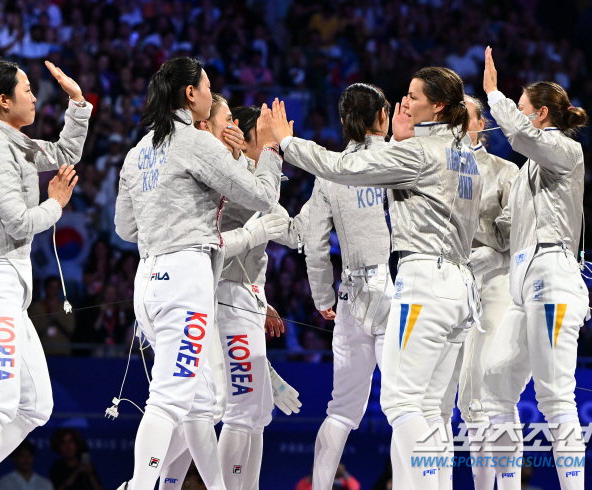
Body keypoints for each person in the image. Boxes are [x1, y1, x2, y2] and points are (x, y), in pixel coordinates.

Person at [262, 66, 483, 490]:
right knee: (427, 408)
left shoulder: (393, 158)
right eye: (398, 102)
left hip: (388, 289)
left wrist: (282, 148)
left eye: (413, 97)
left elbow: (308, 234)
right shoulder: (461, 153)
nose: (405, 104)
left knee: (364, 408)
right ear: (381, 115)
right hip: (444, 286)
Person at [113, 56, 282, 490]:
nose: (211, 94)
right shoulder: (194, 141)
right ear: (191, 94)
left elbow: (124, 227)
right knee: (169, 400)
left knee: (197, 402)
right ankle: (138, 485)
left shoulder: (137, 152)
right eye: (207, 87)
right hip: (185, 281)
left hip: (148, 281)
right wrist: (270, 149)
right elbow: (263, 196)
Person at [0, 58, 90, 490]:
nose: (33, 94)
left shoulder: (17, 143)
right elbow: (19, 224)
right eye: (26, 88)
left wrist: (78, 104)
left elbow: (64, 153)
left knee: (35, 408)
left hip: (9, 296)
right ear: (4, 101)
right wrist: (56, 204)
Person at [157, 99, 305, 490]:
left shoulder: (255, 175)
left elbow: (291, 232)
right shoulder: (231, 174)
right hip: (224, 295)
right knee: (237, 410)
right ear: (239, 133)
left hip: (242, 297)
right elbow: (218, 243)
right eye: (267, 136)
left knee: (246, 413)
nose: (274, 143)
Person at [482, 47, 589, 490]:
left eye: (522, 109)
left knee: (555, 396)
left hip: (554, 278)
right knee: (493, 384)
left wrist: (493, 94)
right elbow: (506, 230)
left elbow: (522, 136)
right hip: (525, 283)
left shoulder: (566, 151)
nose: (514, 117)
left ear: (541, 114)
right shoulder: (529, 174)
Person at [304, 83, 392, 489]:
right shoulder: (397, 159)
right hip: (397, 291)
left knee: (340, 410)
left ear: (343, 122)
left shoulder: (329, 173)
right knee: (407, 406)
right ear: (382, 117)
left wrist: (323, 296)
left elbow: (314, 243)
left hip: (351, 295)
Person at [438, 95, 518, 489]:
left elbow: (511, 231)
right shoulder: (439, 168)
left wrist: (476, 240)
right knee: (456, 399)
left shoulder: (507, 171)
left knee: (487, 392)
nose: (462, 119)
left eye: (467, 113)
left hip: (495, 286)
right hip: (451, 285)